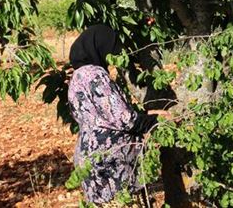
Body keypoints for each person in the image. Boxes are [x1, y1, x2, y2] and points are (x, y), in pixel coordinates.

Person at [68, 24, 165, 205]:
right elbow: (124, 119)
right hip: (109, 159)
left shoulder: (76, 77)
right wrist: (155, 120)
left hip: (89, 155)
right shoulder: (96, 75)